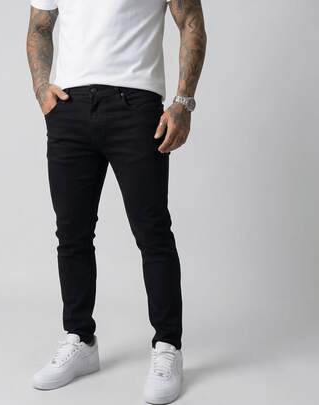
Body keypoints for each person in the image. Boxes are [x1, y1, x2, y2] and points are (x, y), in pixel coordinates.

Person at [26, 0, 206, 403]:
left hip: (136, 107)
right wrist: (41, 88)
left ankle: (168, 346)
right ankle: (80, 339)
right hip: (69, 108)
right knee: (71, 233)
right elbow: (39, 27)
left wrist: (183, 102)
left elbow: (191, 20)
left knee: (152, 232)